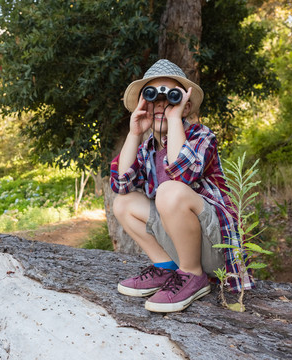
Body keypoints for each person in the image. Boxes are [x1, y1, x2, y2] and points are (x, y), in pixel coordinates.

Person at [110, 59, 253, 313]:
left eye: (171, 97)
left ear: (185, 107)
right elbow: (121, 184)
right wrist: (133, 134)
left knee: (169, 190)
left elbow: (181, 175)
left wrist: (174, 119)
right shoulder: (147, 150)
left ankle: (192, 275)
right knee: (123, 203)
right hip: (181, 243)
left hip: (216, 249)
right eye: (153, 96)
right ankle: (166, 268)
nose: (162, 104)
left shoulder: (201, 136)